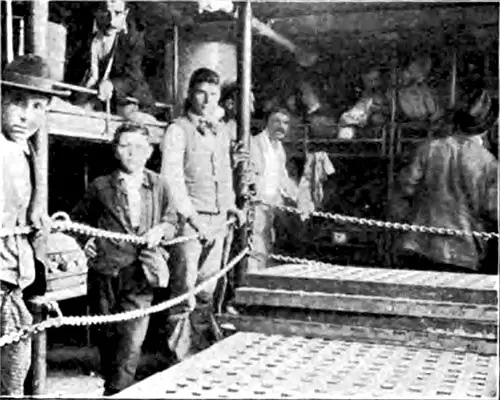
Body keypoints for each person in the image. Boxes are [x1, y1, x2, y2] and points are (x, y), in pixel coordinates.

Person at [71, 123, 178, 395]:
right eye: (125, 146)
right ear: (116, 151)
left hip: (141, 272)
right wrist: (86, 242)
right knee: (106, 334)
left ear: (150, 151)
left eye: (140, 147)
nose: (133, 152)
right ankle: (112, 382)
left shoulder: (158, 184)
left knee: (131, 339)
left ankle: (118, 390)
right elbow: (77, 221)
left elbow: (172, 220)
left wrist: (161, 230)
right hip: (105, 271)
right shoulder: (100, 186)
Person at [160, 68, 243, 363]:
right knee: (184, 293)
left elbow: (223, 173)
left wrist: (230, 204)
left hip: (218, 221)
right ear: (190, 94)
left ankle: (201, 355)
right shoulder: (177, 130)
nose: (207, 100)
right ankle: (179, 359)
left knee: (208, 291)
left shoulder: (220, 130)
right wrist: (193, 218)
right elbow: (172, 179)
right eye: (201, 93)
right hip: (190, 224)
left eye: (213, 94)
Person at [1, 54, 68, 395]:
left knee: (14, 370)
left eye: (38, 106)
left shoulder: (26, 150)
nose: (26, 115)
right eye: (17, 102)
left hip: (14, 279)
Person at [390, 89, 498, 273]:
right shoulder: (489, 164)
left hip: (418, 246)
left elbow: (404, 190)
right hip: (463, 254)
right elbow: (494, 211)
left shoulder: (429, 148)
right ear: (489, 126)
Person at [78, 0, 156, 122]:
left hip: (129, 100)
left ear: (126, 13)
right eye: (106, 13)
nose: (112, 20)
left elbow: (132, 79)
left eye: (118, 13)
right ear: (97, 12)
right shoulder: (87, 37)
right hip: (96, 100)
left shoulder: (133, 39)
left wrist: (112, 85)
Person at [248, 107, 299, 271]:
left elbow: (282, 178)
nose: (281, 126)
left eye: (285, 123)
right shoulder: (254, 144)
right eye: (276, 121)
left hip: (270, 207)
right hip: (255, 207)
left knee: (266, 245)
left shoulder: (279, 148)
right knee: (255, 248)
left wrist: (300, 197)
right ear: (266, 123)